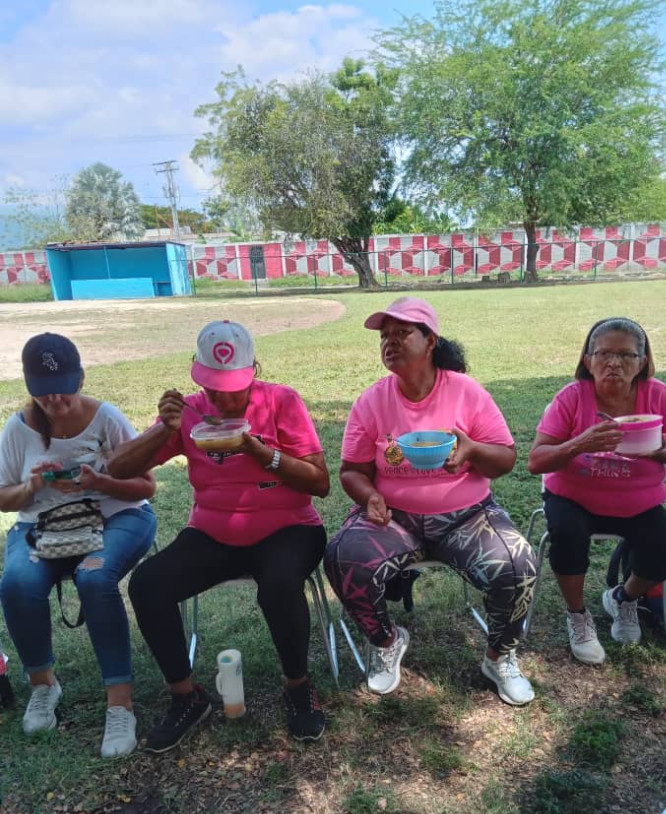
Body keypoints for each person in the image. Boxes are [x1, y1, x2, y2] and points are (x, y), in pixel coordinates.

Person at [108, 320, 329, 752]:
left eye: (235, 388)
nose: (224, 399)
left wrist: (259, 452)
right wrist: (162, 429)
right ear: (195, 373)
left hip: (289, 527)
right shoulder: (187, 411)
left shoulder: (282, 401)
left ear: (254, 370)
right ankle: (187, 697)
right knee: (148, 584)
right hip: (213, 532)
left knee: (280, 584)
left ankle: (298, 688)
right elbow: (118, 469)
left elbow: (319, 482)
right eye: (213, 388)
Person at [324, 297, 538, 706]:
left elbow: (506, 458)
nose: (391, 342)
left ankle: (499, 657)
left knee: (517, 563)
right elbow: (351, 470)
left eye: (403, 333)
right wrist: (370, 496)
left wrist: (473, 449)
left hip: (467, 516)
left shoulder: (466, 392)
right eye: (385, 336)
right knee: (342, 556)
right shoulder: (371, 401)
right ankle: (387, 642)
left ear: (431, 340)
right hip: (395, 519)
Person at [0, 333, 157, 757]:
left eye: (64, 387)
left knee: (94, 577)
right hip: (43, 524)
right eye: (43, 391)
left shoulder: (107, 419)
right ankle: (43, 684)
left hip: (119, 516)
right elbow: (3, 497)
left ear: (81, 378)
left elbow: (147, 486)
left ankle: (120, 706)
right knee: (17, 582)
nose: (55, 399)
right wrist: (33, 485)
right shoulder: (18, 429)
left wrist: (98, 481)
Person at [527, 317, 666, 664]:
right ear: (587, 360)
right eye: (603, 353)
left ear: (643, 362)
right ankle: (578, 616)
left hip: (638, 500)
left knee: (665, 545)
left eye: (626, 355)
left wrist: (660, 451)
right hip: (573, 496)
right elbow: (536, 461)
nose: (614, 363)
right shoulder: (572, 397)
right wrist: (578, 443)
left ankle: (624, 597)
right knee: (567, 532)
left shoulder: (659, 396)